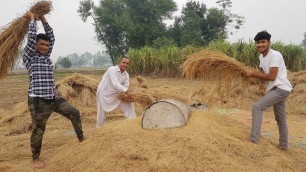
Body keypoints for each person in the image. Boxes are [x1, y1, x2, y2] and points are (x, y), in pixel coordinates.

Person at [23, 12, 84, 168]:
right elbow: (30, 40)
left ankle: (82, 139)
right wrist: (32, 19)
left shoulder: (47, 56)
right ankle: (35, 158)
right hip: (38, 100)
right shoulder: (30, 57)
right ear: (35, 45)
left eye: (46, 45)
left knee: (74, 112)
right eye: (41, 44)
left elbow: (52, 37)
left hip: (53, 98)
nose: (44, 47)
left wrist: (43, 20)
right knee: (39, 129)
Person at [244, 30, 292, 150]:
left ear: (269, 42)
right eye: (257, 42)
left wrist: (253, 73)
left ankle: (254, 140)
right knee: (280, 119)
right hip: (275, 89)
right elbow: (264, 76)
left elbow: (271, 76)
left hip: (280, 89)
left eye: (263, 42)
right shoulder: (261, 57)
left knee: (257, 107)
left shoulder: (275, 55)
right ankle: (283, 146)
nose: (260, 45)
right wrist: (255, 74)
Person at [96, 57, 136, 127]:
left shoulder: (126, 75)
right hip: (104, 93)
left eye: (127, 63)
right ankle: (99, 128)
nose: (125, 65)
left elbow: (126, 86)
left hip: (116, 94)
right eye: (123, 62)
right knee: (101, 112)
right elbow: (115, 83)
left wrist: (126, 94)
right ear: (119, 63)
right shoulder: (111, 69)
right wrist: (126, 91)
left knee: (129, 104)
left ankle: (133, 122)